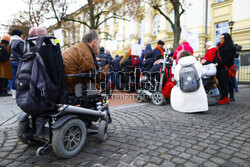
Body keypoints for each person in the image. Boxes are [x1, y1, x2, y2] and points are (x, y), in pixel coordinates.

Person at [62, 30, 100, 95]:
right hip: (72, 88)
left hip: (64, 85)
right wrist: (97, 87)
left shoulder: (78, 48)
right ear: (93, 43)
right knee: (98, 90)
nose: (100, 46)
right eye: (99, 42)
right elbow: (85, 78)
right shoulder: (86, 54)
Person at [214, 33, 236, 104]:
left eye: (222, 38)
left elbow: (229, 58)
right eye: (220, 38)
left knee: (226, 83)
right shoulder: (220, 47)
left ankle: (226, 98)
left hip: (226, 68)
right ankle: (222, 96)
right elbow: (217, 57)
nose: (220, 40)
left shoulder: (230, 47)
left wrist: (219, 63)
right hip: (220, 68)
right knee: (221, 83)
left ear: (226, 39)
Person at [10, 29, 24, 99]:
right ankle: (20, 91)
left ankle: (14, 93)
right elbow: (23, 52)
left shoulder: (11, 41)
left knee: (14, 76)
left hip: (12, 61)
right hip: (19, 61)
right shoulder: (19, 41)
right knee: (20, 77)